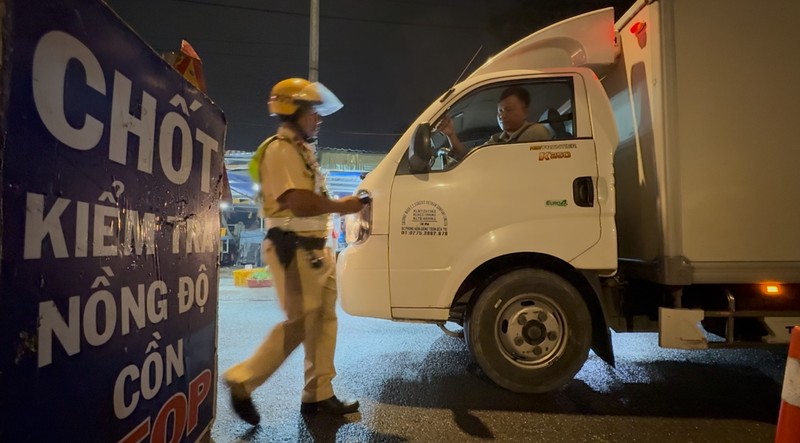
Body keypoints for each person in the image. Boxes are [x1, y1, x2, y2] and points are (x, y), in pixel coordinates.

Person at [224, 77, 365, 426]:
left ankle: (319, 395)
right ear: (295, 111)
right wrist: (344, 206)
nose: (318, 118)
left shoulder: (301, 151)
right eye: (312, 111)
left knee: (323, 322)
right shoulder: (280, 149)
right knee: (302, 321)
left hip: (314, 251)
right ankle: (243, 379)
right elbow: (298, 202)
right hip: (295, 249)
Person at [438, 85, 551, 159]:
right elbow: (473, 158)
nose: (502, 115)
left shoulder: (535, 133)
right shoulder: (497, 139)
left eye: (508, 110)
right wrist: (451, 134)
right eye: (500, 111)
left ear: (525, 112)